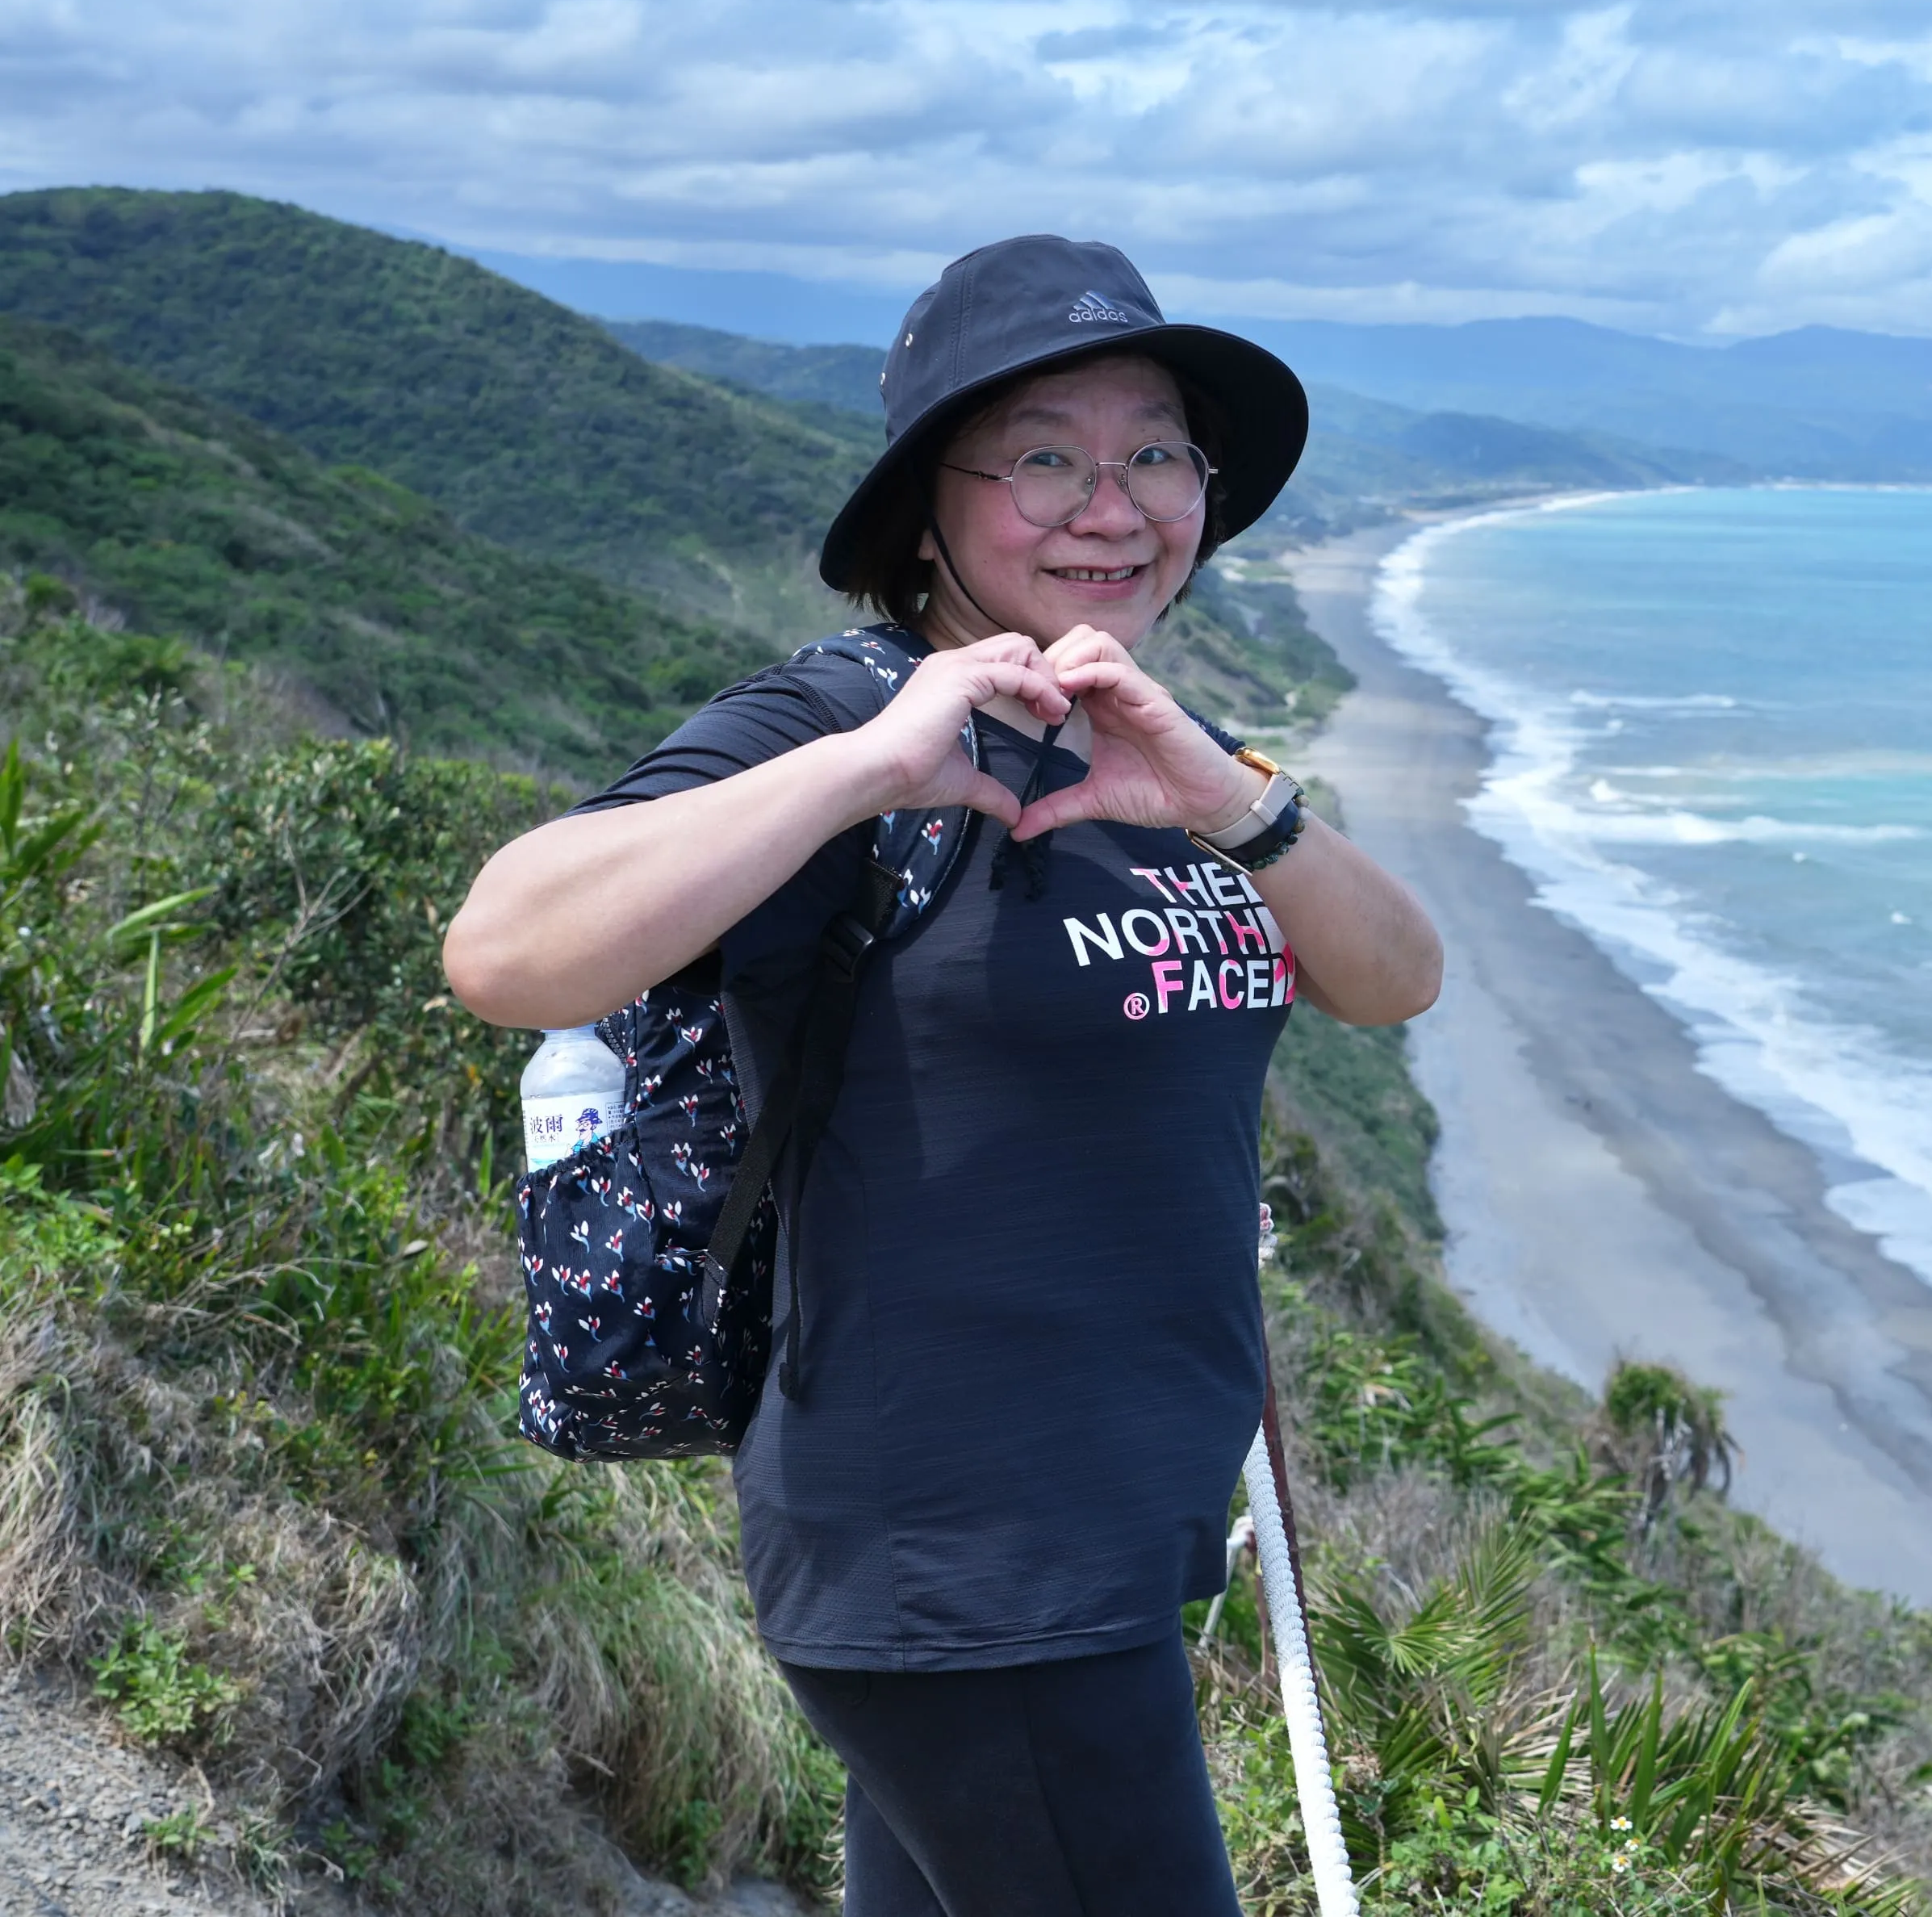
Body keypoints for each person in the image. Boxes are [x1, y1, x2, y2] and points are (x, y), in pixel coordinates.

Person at [442, 235, 1441, 1915]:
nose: (1110, 504)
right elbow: (505, 946)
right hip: (961, 1559)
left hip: (1106, 1546)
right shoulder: (831, 726)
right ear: (927, 510)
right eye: (1044, 454)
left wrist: (1229, 799)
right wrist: (862, 771)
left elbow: (1390, 978)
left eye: (1154, 454)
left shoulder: (1157, 753)